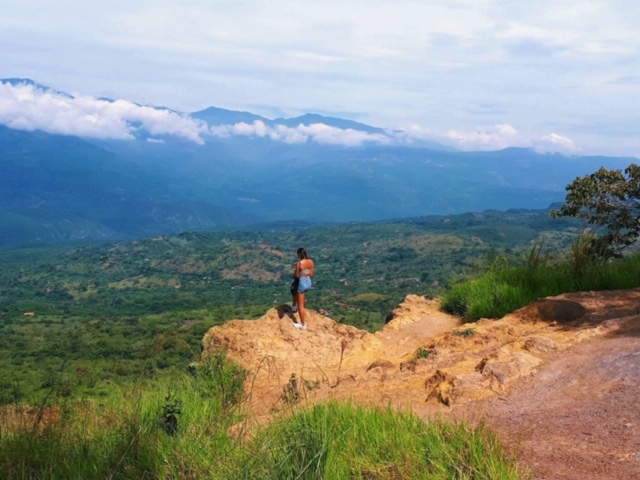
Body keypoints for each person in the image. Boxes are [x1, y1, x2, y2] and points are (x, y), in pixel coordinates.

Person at [290, 247, 314, 330]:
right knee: (301, 298)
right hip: (308, 282)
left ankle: (303, 325)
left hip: (302, 282)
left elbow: (296, 275)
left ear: (299, 254)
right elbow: (311, 274)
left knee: (300, 306)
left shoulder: (299, 263)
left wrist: (296, 272)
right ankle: (293, 305)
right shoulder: (311, 261)